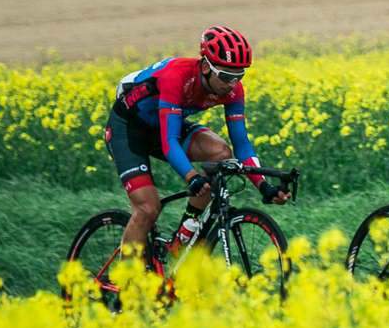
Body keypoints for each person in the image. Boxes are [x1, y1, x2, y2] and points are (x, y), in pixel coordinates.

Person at [106, 26, 290, 258]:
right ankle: (126, 277)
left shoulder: (233, 90)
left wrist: (264, 186)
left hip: (163, 125)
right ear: (205, 67)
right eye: (226, 76)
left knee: (221, 154)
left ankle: (185, 234)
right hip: (127, 129)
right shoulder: (177, 76)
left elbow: (241, 145)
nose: (232, 84)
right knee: (148, 208)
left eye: (239, 76)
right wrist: (191, 177)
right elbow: (169, 142)